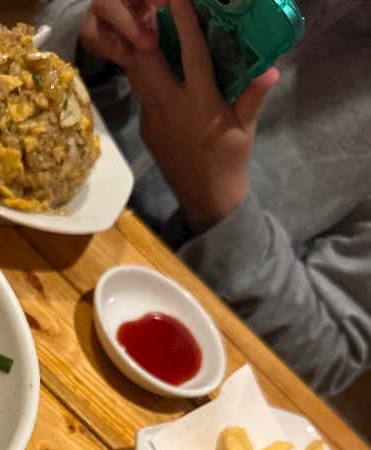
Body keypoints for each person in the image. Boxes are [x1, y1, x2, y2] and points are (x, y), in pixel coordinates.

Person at [38, 0, 371, 398]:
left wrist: (219, 206)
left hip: (163, 371)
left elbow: (327, 356)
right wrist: (86, 33)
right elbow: (53, 21)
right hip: (30, 185)